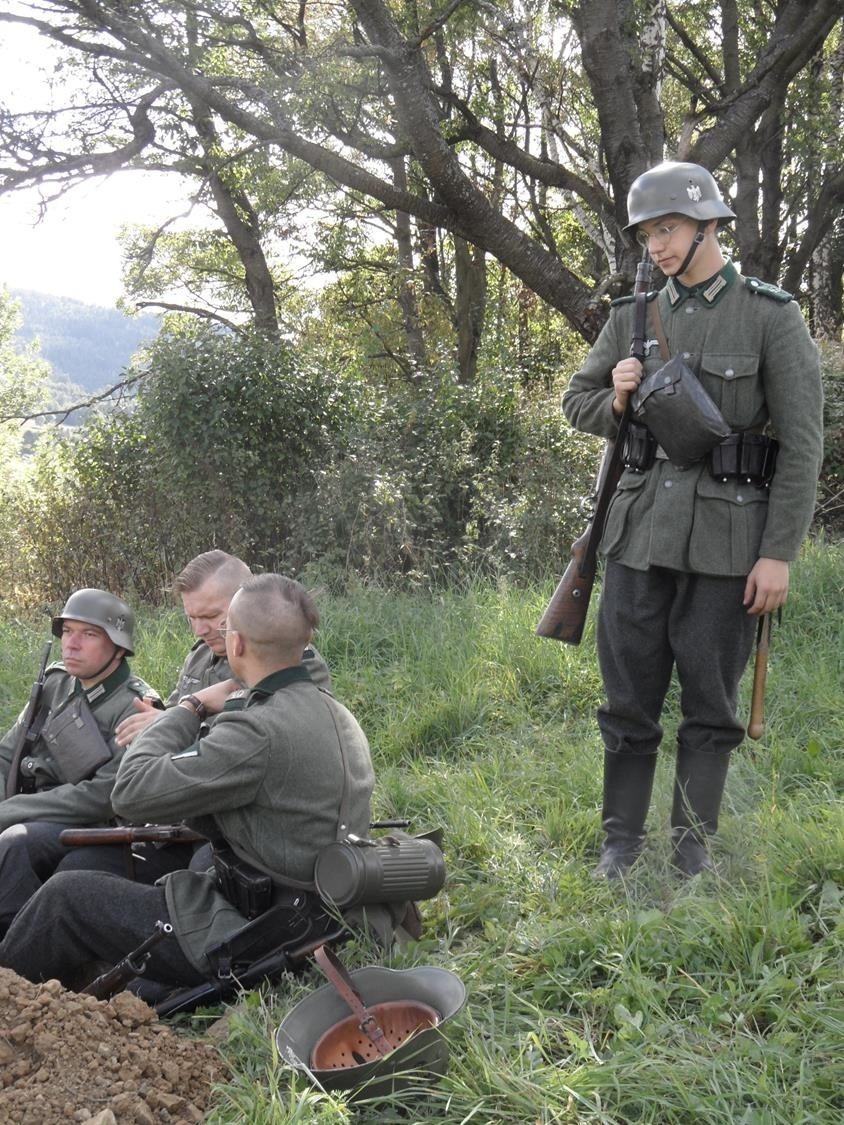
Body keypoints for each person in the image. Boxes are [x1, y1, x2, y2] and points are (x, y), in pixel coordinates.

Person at [562, 161, 823, 878]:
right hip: (638, 537)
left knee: (710, 702)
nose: (658, 245)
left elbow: (803, 445)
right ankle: (621, 841)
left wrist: (778, 554)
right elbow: (575, 402)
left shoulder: (771, 315)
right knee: (627, 697)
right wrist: (614, 398)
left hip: (728, 543)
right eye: (648, 233)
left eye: (669, 228)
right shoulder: (633, 317)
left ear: (710, 224)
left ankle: (691, 847)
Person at [0, 574, 375, 992]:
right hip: (298, 909)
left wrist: (189, 707)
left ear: (237, 644)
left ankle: (11, 1002)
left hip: (252, 930)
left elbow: (131, 791)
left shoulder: (255, 730)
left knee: (66, 897)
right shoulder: (334, 712)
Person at [56, 549, 331, 881]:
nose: (200, 629)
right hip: (181, 813)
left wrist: (178, 721)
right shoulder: (200, 657)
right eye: (192, 617)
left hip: (241, 829)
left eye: (213, 615)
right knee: (80, 867)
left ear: (246, 603)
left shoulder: (291, 661)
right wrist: (166, 720)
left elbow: (248, 744)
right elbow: (175, 716)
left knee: (195, 885)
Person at [0, 589, 161, 935]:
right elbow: (7, 755)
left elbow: (104, 795)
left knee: (15, 843)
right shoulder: (55, 684)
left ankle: (15, 950)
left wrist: (14, 809)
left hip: (92, 825)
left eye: (89, 634)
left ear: (118, 648)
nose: (72, 644)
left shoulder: (134, 705)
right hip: (33, 806)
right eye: (68, 632)